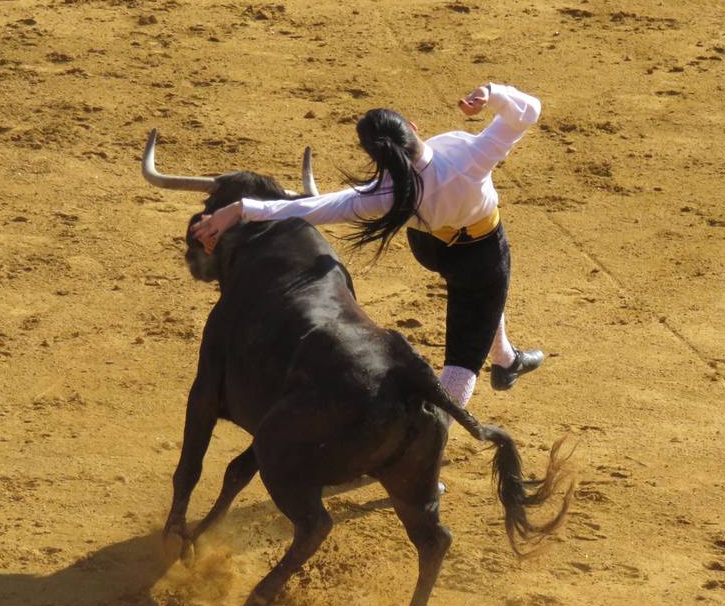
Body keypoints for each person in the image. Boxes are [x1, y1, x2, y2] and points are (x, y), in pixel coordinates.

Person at [192, 82, 544, 410]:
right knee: (463, 359)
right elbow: (529, 110)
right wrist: (490, 93)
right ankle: (433, 442)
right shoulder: (470, 156)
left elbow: (312, 209)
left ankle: (505, 359)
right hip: (480, 255)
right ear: (412, 125)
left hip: (428, 248)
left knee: (482, 303)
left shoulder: (386, 198)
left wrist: (240, 209)